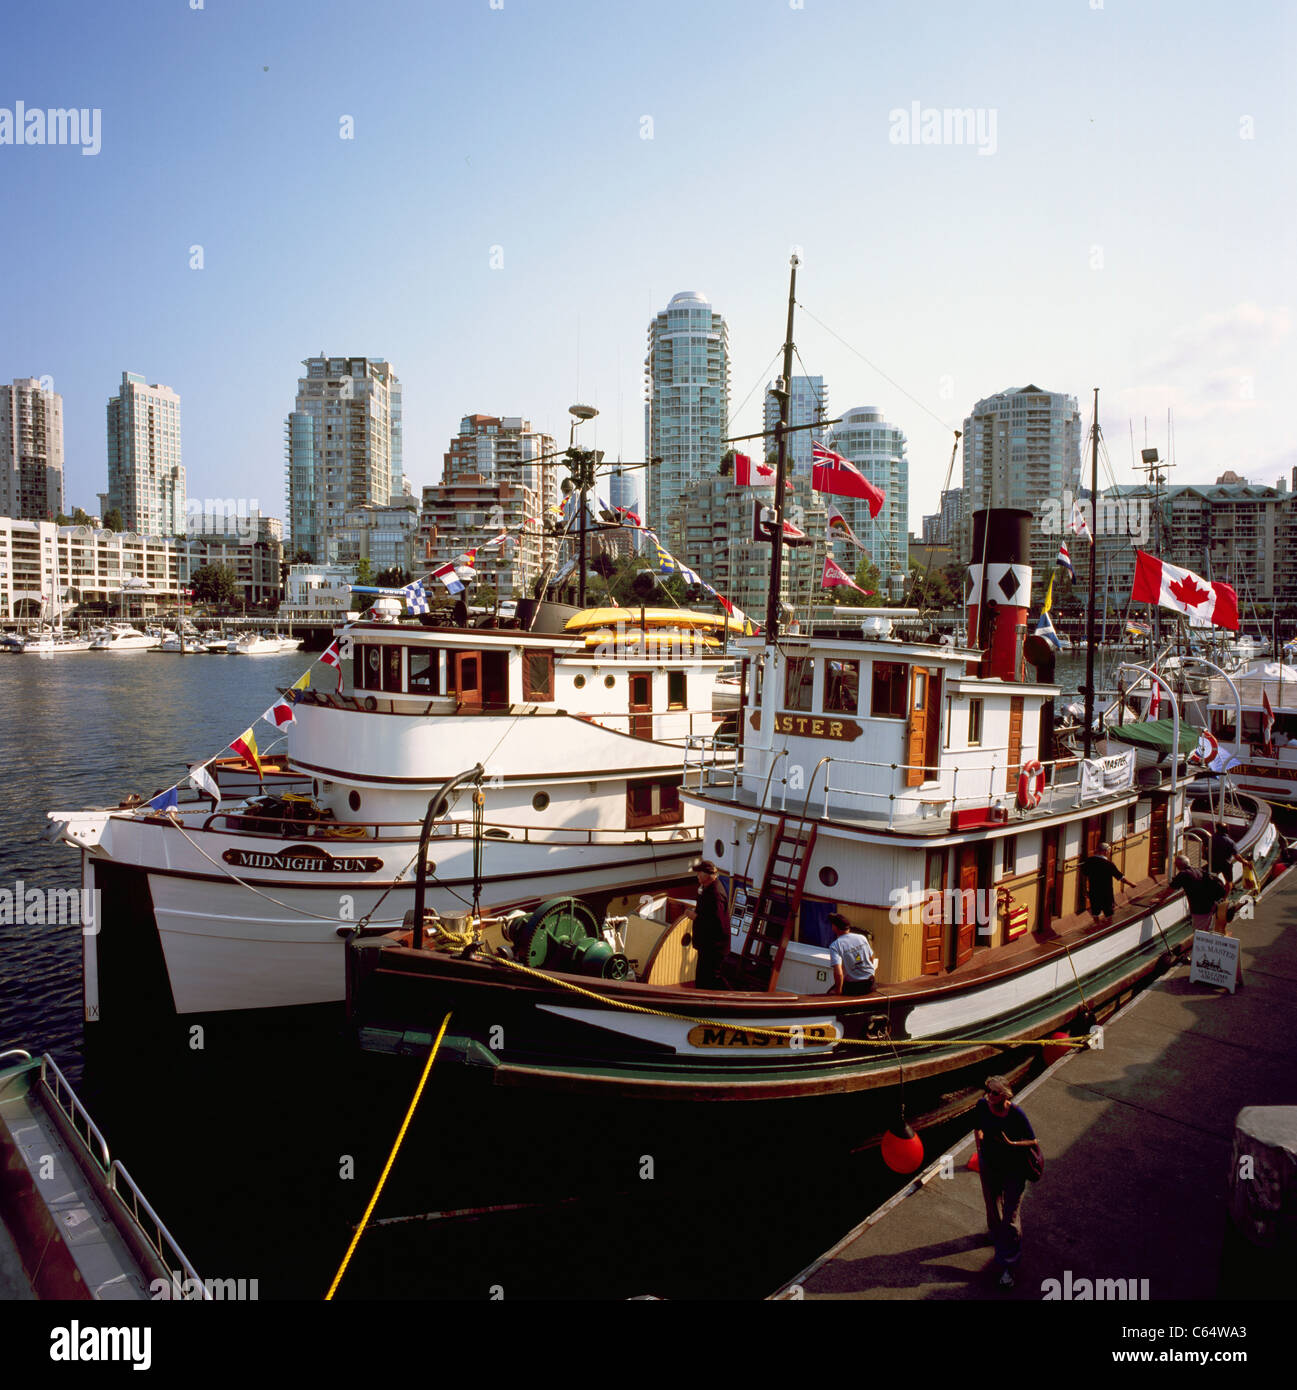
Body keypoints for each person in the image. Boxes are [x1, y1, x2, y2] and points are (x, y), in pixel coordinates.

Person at [972, 1075, 1039, 1289]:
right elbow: (977, 1128)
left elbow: (1033, 1140)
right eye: (988, 1090)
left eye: (994, 1092)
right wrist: (979, 1149)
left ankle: (1008, 1265)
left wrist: (1012, 1143)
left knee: (1010, 1216)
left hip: (1014, 1169)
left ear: (1005, 1096)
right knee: (992, 1206)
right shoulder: (982, 1106)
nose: (989, 1095)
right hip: (990, 1164)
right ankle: (995, 1236)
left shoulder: (1016, 1114)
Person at [691, 860, 730, 991]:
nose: (697, 875)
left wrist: (695, 917)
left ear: (708, 875)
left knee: (710, 979)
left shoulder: (715, 894)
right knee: (704, 979)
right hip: (708, 945)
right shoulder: (707, 889)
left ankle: (734, 998)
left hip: (714, 947)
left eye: (699, 873)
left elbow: (717, 923)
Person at [1169, 852, 1227, 933]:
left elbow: (1171, 889)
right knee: (1209, 930)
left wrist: (1159, 899)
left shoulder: (1183, 875)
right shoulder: (1198, 870)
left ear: (1179, 865)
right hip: (1211, 906)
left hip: (1200, 909)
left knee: (1199, 933)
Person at [1080, 842, 1134, 924]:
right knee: (1108, 913)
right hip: (1106, 893)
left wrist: (1085, 890)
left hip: (1094, 891)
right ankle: (1109, 927)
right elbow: (1120, 877)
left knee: (1095, 912)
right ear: (1105, 851)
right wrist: (1131, 884)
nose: (1109, 853)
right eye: (1108, 851)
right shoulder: (1109, 864)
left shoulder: (1088, 861)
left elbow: (1084, 876)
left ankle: (1097, 926)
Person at [827, 912, 877, 996]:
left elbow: (839, 973)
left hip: (854, 987)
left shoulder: (835, 945)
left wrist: (838, 991)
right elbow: (871, 958)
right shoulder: (862, 937)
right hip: (870, 983)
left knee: (829, 992)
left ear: (835, 927)